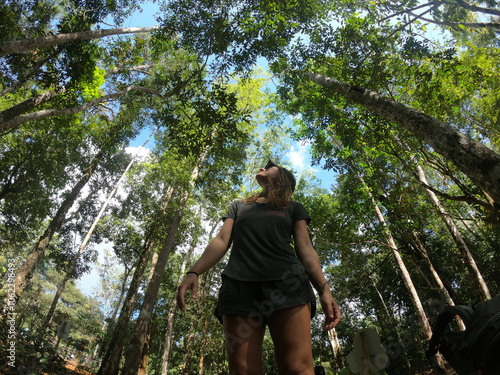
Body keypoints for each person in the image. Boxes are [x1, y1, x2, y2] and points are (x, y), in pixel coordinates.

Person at [176, 160, 341, 375]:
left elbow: (306, 249)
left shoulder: (293, 208)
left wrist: (324, 289)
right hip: (238, 288)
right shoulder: (239, 206)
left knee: (297, 368)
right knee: (243, 371)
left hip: (287, 287)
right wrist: (193, 271)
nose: (264, 166)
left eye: (271, 165)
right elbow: (222, 240)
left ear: (283, 178)